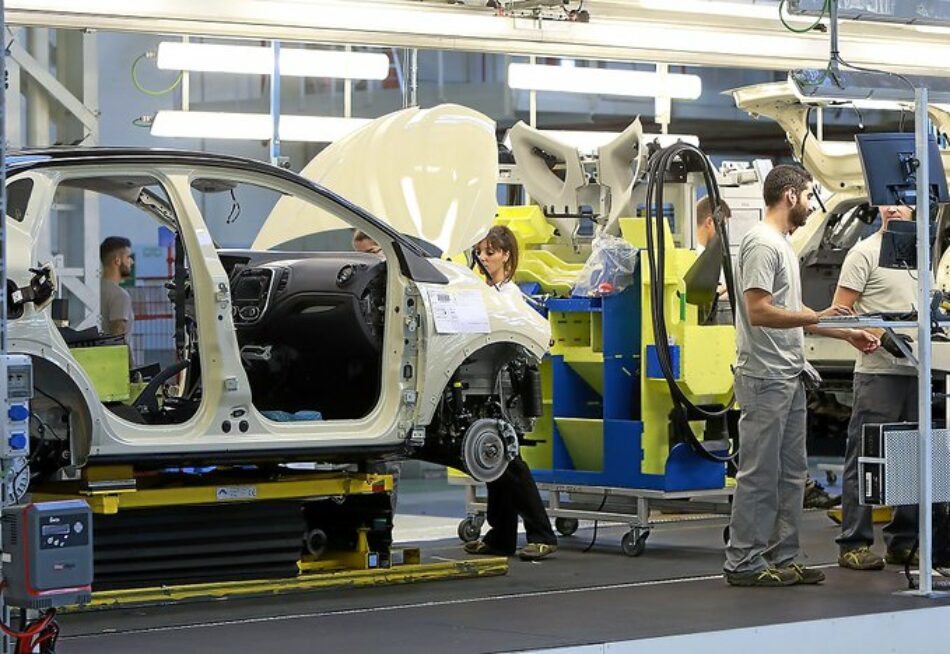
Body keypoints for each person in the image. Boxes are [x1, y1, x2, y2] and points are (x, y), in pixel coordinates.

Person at [723, 165, 880, 587]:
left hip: (789, 374)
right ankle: (744, 563)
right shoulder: (761, 244)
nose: (811, 206)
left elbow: (795, 318)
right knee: (759, 474)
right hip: (764, 377)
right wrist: (816, 314)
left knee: (792, 474)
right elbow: (758, 311)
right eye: (810, 196)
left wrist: (844, 333)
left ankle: (785, 557)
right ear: (790, 196)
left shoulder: (783, 246)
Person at [834, 204, 922, 570]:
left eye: (901, 201)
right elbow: (840, 312)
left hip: (920, 372)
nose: (894, 209)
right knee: (867, 456)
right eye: (887, 202)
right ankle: (853, 542)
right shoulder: (864, 253)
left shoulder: (925, 256)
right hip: (878, 372)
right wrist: (872, 333)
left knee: (916, 458)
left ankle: (904, 541)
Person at [464, 225, 558, 561]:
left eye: (490, 252)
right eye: (480, 252)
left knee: (510, 462)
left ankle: (542, 534)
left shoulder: (511, 296)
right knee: (493, 462)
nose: (484, 258)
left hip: (507, 390)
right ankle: (501, 537)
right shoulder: (484, 291)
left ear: (506, 254)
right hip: (487, 386)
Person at [99, 236, 135, 347]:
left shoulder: (94, 289)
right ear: (117, 260)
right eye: (128, 257)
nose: (131, 261)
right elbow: (119, 335)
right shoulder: (120, 295)